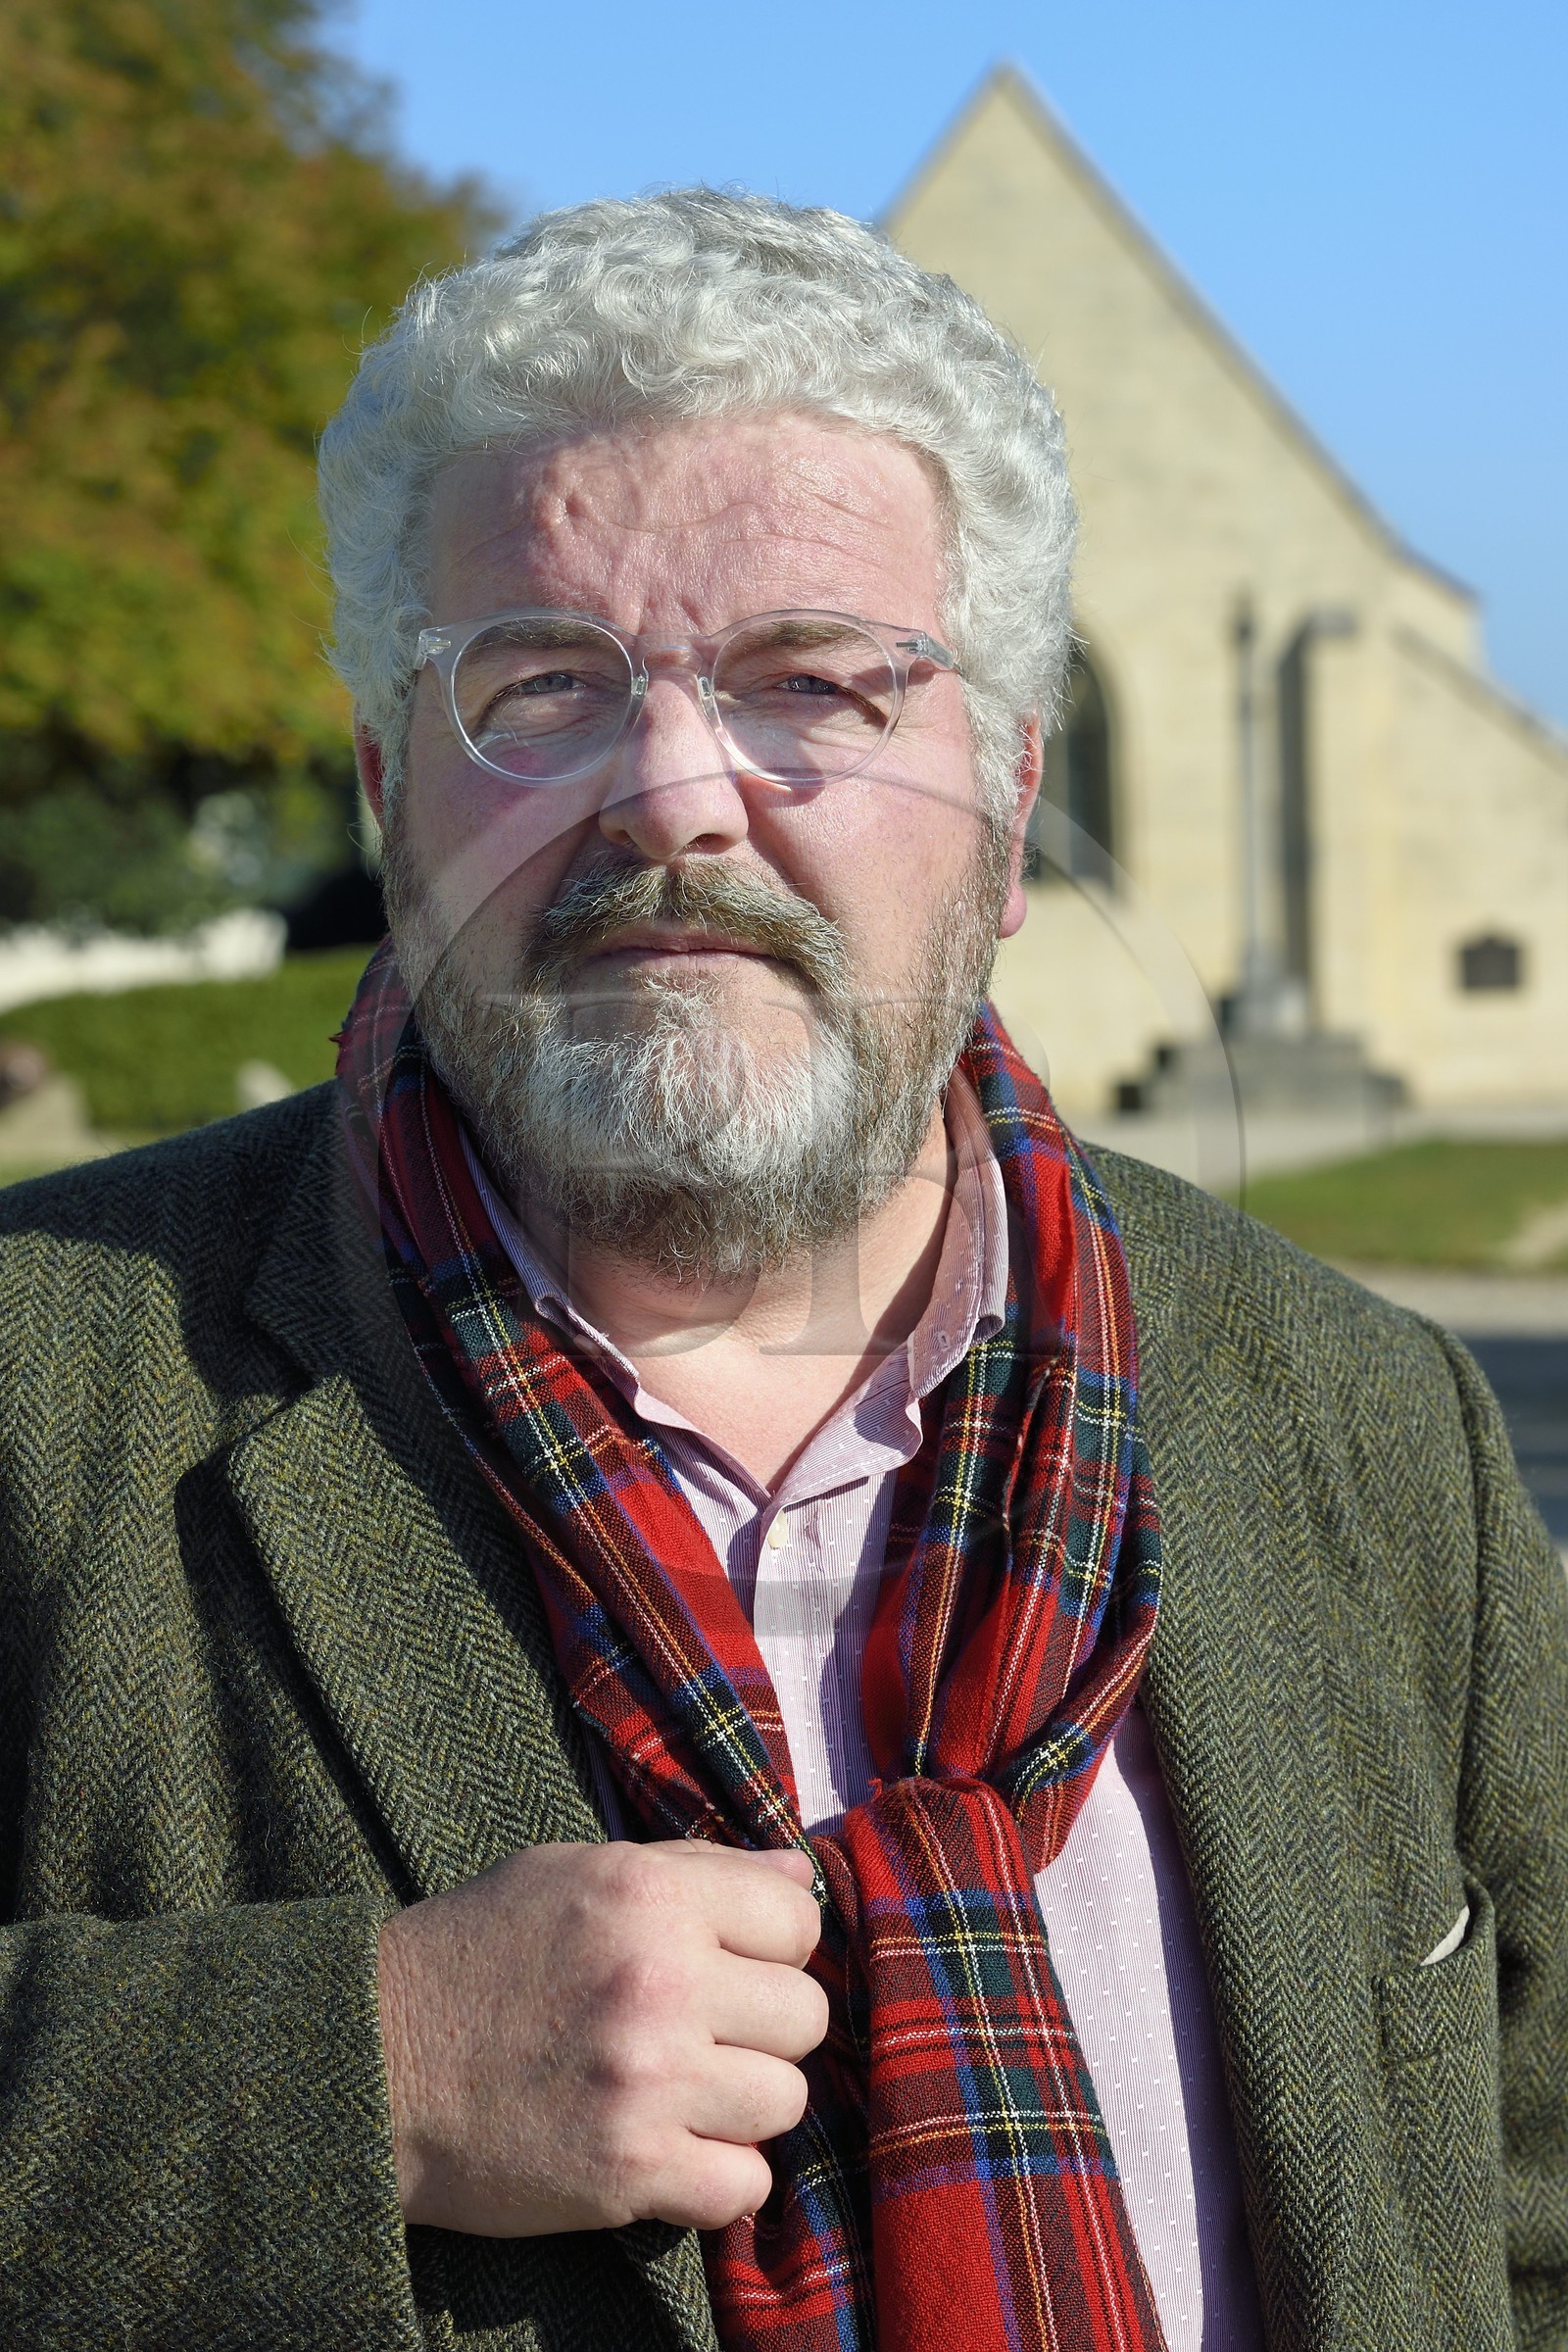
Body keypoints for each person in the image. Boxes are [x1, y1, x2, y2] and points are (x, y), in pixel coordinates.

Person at [0, 191, 1563, 2352]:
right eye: (539, 687)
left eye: (814, 685)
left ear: (1009, 810)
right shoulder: (40, 1382)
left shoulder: (1371, 1423)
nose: (672, 799)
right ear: (387, 791)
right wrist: (345, 2078)